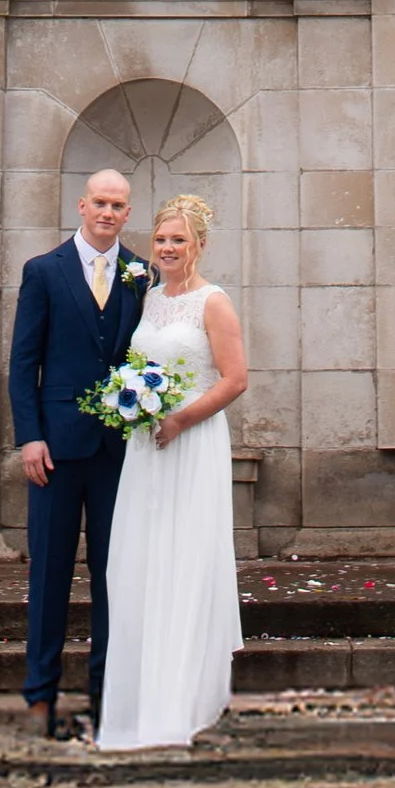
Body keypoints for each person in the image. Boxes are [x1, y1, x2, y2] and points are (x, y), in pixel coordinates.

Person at [95, 193, 247, 751]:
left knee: (184, 562)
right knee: (138, 564)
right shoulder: (149, 300)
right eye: (161, 239)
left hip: (192, 440)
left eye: (178, 239)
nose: (167, 248)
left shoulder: (214, 302)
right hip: (146, 445)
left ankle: (183, 704)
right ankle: (138, 706)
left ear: (199, 245)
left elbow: (234, 379)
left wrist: (180, 420)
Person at [8, 167, 149, 738]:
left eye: (118, 205)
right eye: (100, 202)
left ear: (127, 212)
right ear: (81, 205)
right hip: (56, 449)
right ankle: (39, 697)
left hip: (120, 451)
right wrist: (30, 436)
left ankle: (105, 696)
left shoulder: (142, 275)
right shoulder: (44, 271)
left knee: (114, 575)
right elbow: (24, 361)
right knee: (50, 573)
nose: (108, 212)